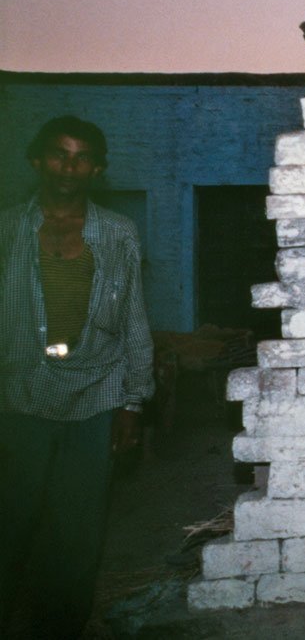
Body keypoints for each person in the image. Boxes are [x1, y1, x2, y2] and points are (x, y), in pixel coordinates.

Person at [0, 116, 153, 639]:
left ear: (97, 168)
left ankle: (59, 627)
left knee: (77, 530)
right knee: (12, 520)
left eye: (81, 157)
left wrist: (133, 404)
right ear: (37, 160)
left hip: (95, 396)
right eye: (59, 154)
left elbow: (134, 319)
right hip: (19, 395)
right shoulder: (7, 230)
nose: (70, 166)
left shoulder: (116, 233)